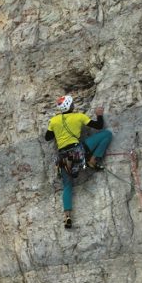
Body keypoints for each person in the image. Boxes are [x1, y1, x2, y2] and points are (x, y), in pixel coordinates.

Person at [45, 95, 112, 228]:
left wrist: (57, 129)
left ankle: (67, 217)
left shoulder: (54, 121)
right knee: (106, 134)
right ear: (71, 106)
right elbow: (99, 126)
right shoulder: (78, 116)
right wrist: (99, 115)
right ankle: (93, 160)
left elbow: (48, 137)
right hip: (79, 152)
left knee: (67, 186)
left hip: (63, 158)